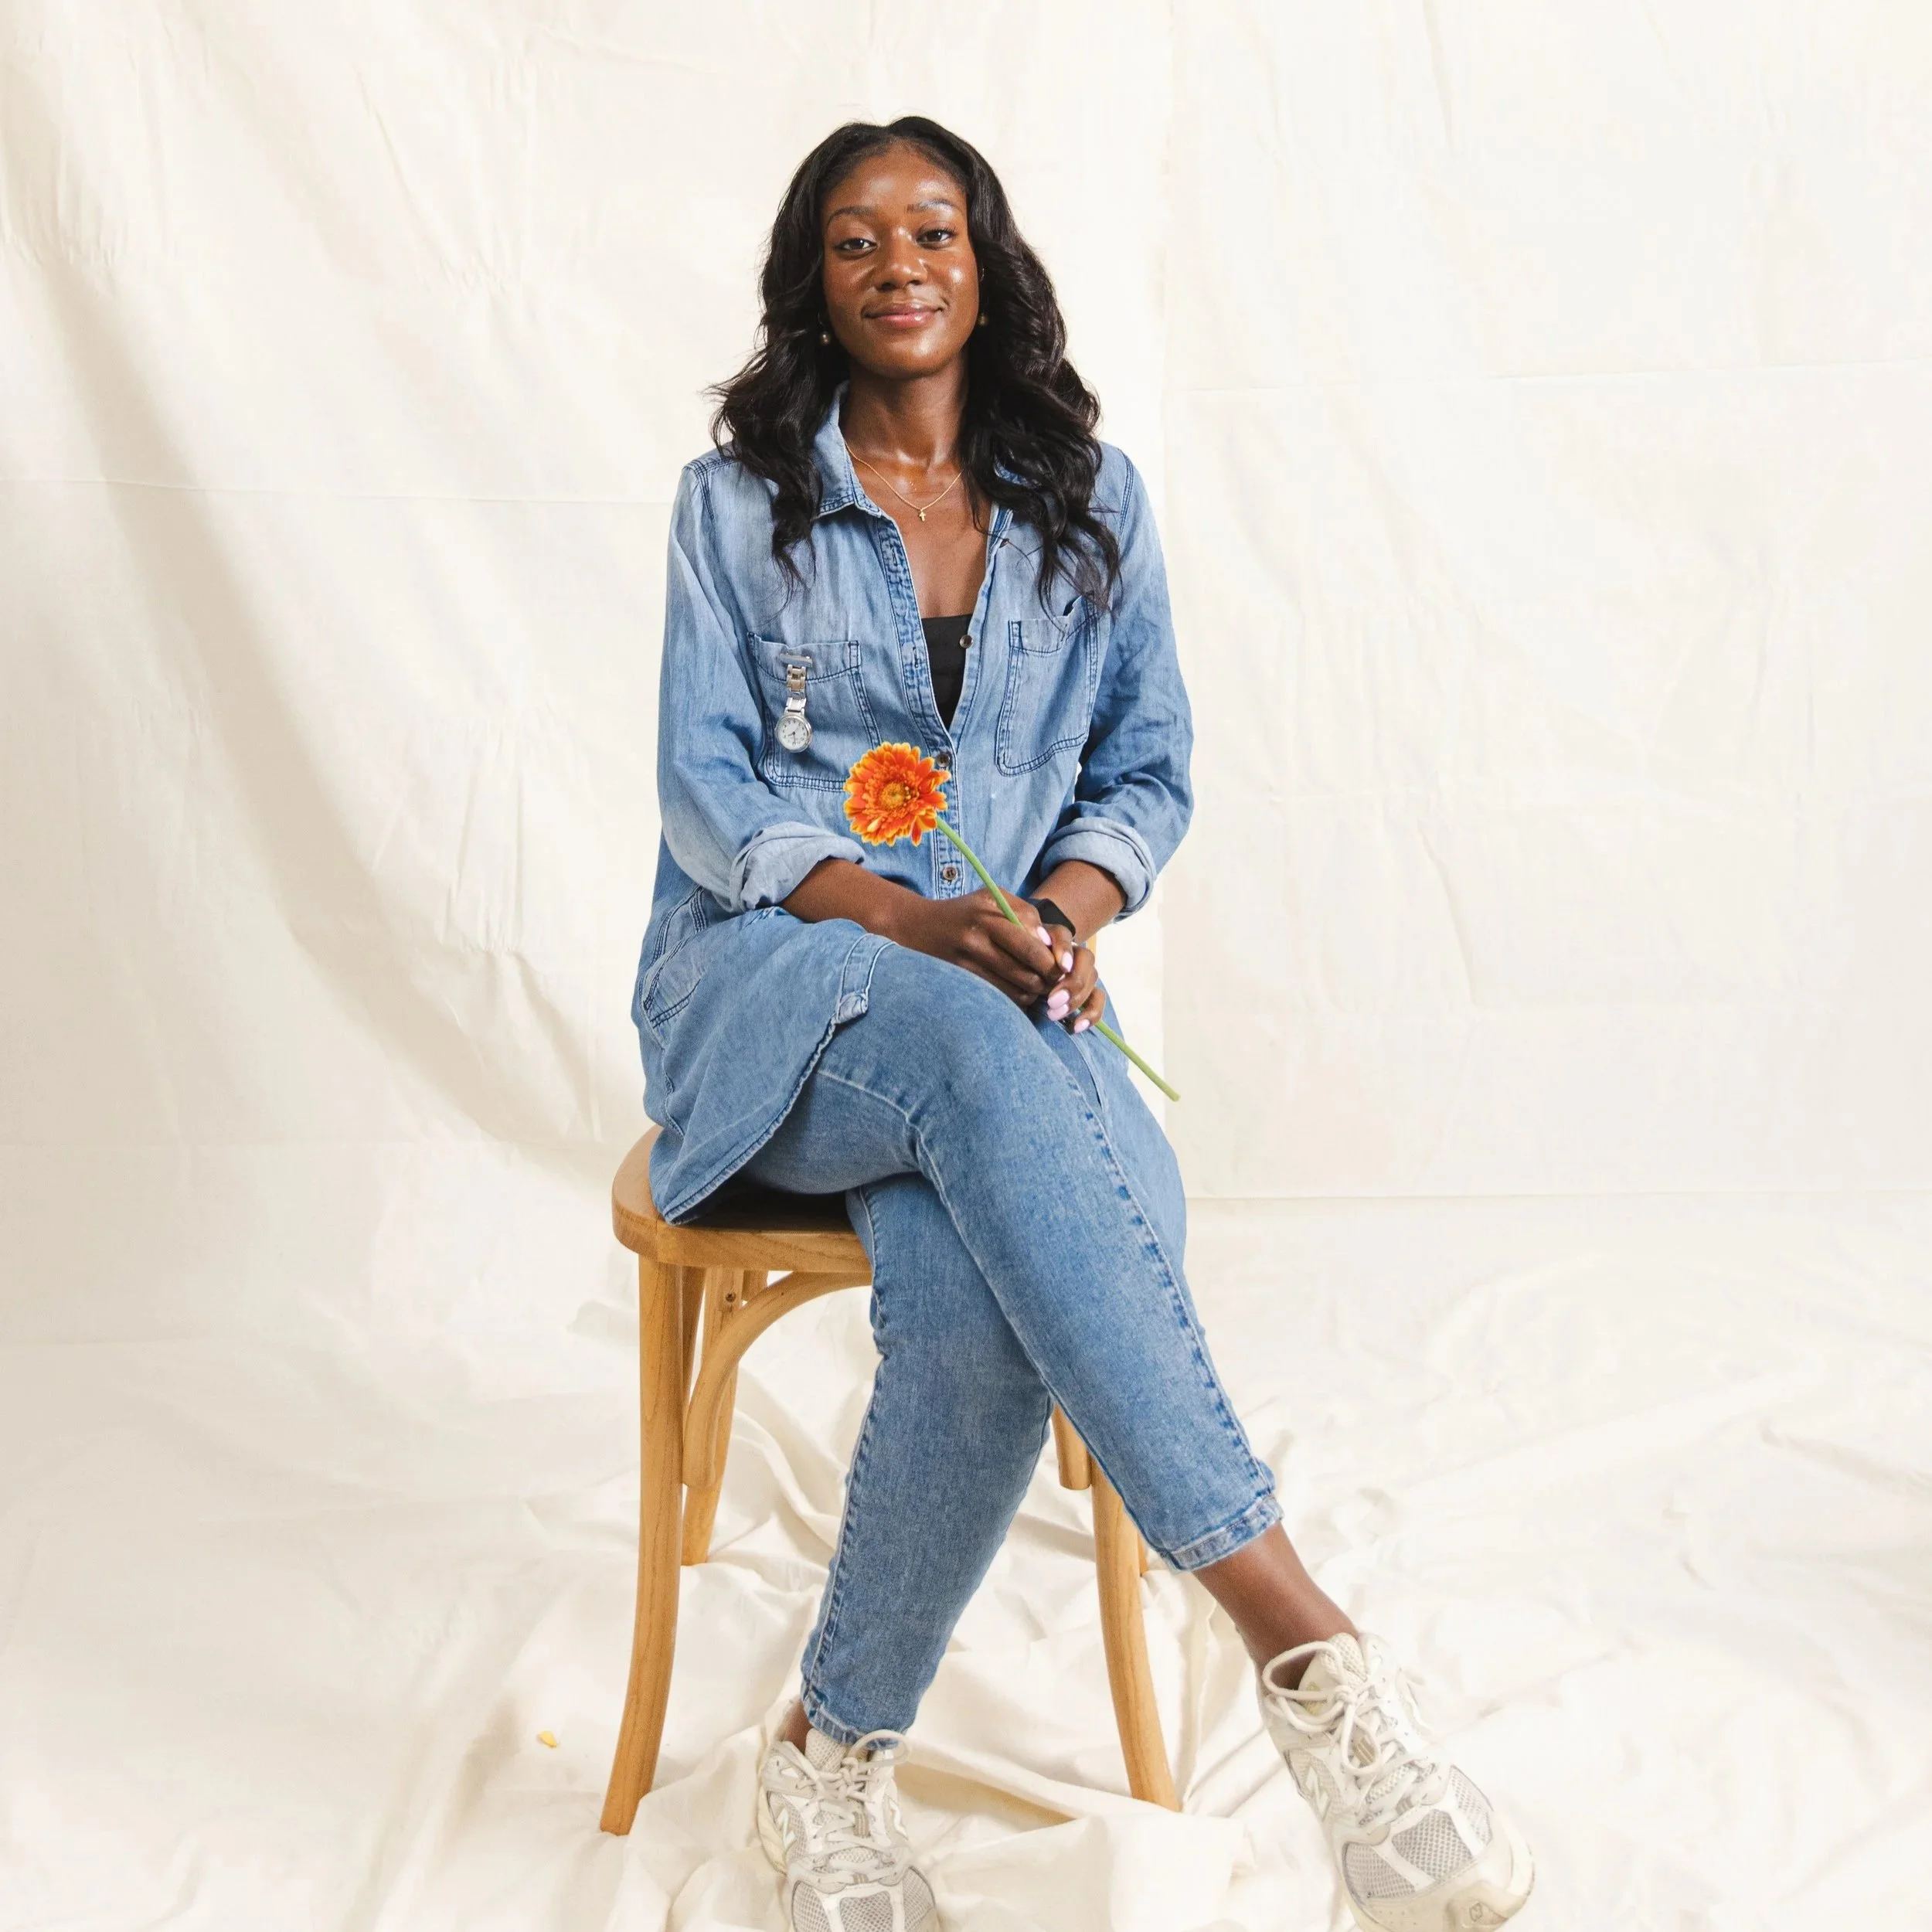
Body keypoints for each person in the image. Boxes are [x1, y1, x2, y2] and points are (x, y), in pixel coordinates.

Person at [633, 115, 1535, 1932]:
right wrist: (908, 917)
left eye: (933, 232)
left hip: (1005, 1003)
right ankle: (1309, 1657)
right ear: (812, 276)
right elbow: (707, 794)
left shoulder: (1090, 498)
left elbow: (1147, 768)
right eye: (857, 238)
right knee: (980, 1060)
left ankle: (822, 1754)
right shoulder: (734, 501)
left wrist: (1055, 914)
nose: (897, 264)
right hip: (773, 1000)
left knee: (982, 1286)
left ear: (986, 265)